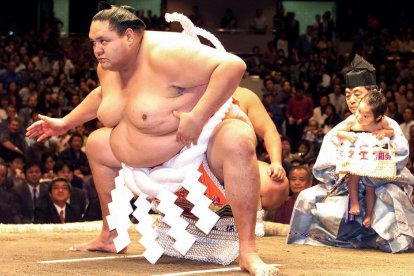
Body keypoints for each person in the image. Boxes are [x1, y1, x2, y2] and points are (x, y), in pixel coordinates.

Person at [26, 4, 277, 275]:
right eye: (93, 42)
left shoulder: (167, 52)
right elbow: (103, 96)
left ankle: (248, 251)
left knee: (238, 138)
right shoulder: (108, 67)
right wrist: (65, 123)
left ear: (130, 36)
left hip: (194, 152)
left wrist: (197, 116)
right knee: (98, 143)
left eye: (103, 41)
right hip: (141, 164)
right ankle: (110, 236)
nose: (97, 49)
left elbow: (233, 65)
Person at [287, 54, 414, 253]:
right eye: (347, 95)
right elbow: (324, 164)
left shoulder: (388, 124)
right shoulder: (341, 128)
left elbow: (400, 156)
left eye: (357, 93)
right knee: (307, 196)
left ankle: (383, 238)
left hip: (380, 182)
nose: (352, 100)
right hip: (346, 185)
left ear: (372, 94)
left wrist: (372, 171)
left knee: (392, 196)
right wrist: (343, 171)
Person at [337, 90, 394, 228]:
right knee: (353, 177)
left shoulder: (383, 121)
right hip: (355, 155)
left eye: (365, 116)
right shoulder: (352, 120)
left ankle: (369, 215)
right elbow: (339, 132)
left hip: (372, 157)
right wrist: (347, 135)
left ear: (378, 117)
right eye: (359, 112)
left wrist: (383, 132)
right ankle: (355, 202)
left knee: (370, 186)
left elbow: (391, 131)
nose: (360, 117)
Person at [232, 87, 289, 211]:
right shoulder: (190, 91)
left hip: (239, 163)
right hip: (198, 159)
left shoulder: (244, 96)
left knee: (277, 184)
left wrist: (276, 162)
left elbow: (269, 131)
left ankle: (251, 218)